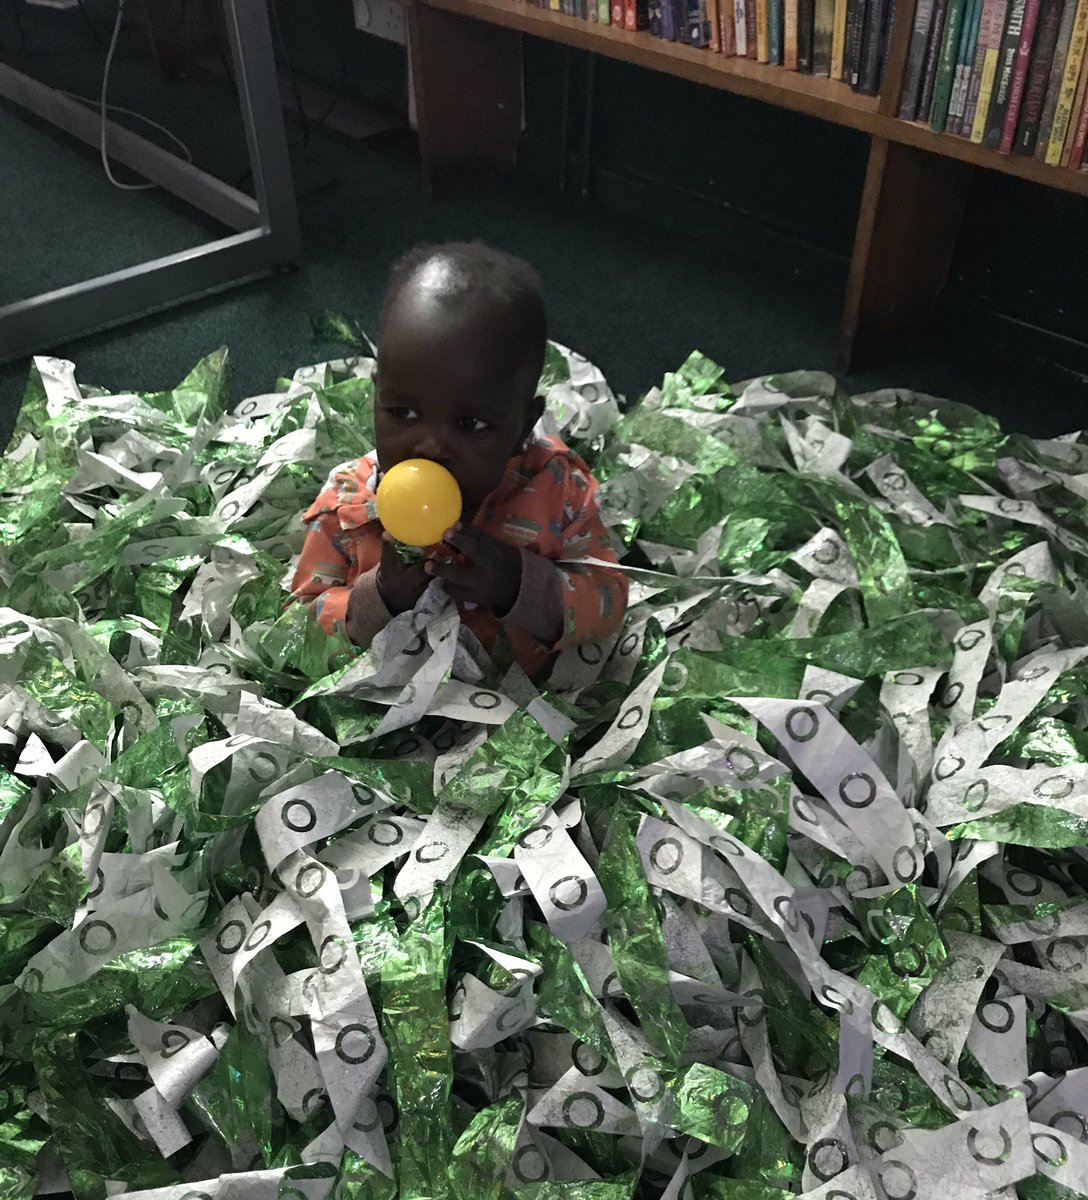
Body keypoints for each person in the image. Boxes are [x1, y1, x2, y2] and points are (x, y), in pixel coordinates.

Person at [289, 241, 628, 678]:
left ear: (523, 426)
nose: (429, 446)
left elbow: (609, 600)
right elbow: (296, 632)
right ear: (377, 395)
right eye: (403, 413)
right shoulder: (348, 504)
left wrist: (519, 584)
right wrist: (378, 598)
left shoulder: (559, 489)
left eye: (471, 424)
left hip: (521, 721)